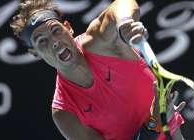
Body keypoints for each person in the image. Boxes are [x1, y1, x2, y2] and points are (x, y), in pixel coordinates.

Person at [10, 0, 185, 140]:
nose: (54, 41)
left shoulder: (99, 42)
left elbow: (122, 3)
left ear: (68, 28)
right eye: (42, 41)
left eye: (56, 30)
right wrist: (154, 124)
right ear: (35, 53)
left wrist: (124, 23)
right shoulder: (64, 113)